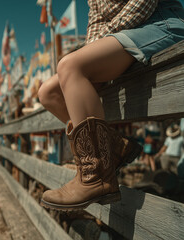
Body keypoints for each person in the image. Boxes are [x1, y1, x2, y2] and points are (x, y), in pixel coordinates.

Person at [38, 0, 184, 210]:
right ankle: (113, 148)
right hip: (121, 35)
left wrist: (103, 39)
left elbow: (144, 3)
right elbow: (96, 21)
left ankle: (95, 176)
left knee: (70, 66)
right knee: (48, 92)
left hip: (160, 23)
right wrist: (96, 45)